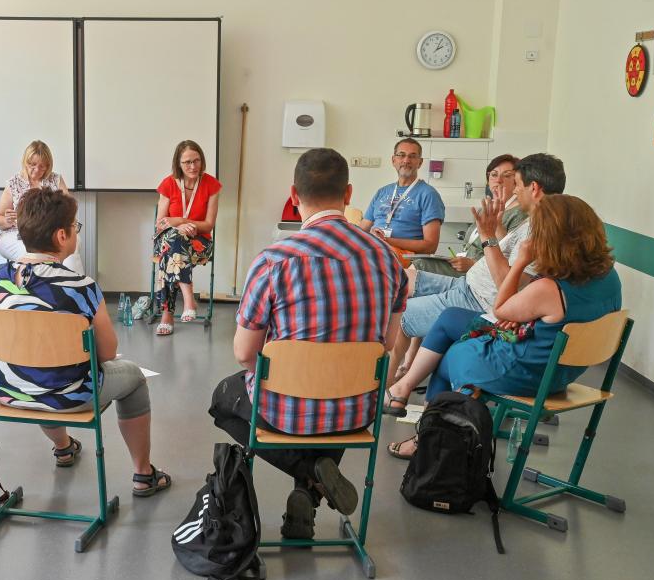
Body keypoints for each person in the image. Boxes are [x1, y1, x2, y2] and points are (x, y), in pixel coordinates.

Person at [209, 148, 407, 539]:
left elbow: (245, 354)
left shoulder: (273, 260)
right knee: (335, 396)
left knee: (222, 398)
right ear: (349, 194)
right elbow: (385, 343)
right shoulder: (387, 258)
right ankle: (310, 490)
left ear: (294, 195)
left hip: (285, 411)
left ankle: (309, 475)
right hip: (357, 411)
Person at [386, 194, 622, 459]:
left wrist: (520, 261)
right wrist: (524, 311)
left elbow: (500, 308)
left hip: (525, 372)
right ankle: (405, 392)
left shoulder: (548, 289)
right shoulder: (609, 276)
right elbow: (536, 312)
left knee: (446, 357)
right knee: (452, 317)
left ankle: (428, 439)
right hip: (560, 370)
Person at [0, 188, 171, 496]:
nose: (76, 233)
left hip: (11, 392)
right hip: (70, 396)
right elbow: (107, 353)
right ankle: (143, 473)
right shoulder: (81, 286)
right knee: (134, 377)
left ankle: (64, 447)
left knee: (38, 365)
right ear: (61, 236)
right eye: (75, 227)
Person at [385, 153, 566, 388]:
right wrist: (498, 229)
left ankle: (382, 393)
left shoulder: (541, 230)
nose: (515, 191)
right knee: (405, 281)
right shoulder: (533, 219)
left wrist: (488, 236)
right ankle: (399, 378)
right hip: (468, 285)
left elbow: (507, 285)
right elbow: (507, 257)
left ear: (534, 188)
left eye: (517, 184)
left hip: (477, 300)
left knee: (398, 316)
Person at [413, 154, 527, 277]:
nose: (498, 180)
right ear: (488, 179)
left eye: (507, 175)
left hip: (481, 273)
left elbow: (509, 256)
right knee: (417, 262)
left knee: (420, 265)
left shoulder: (519, 213)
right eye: (494, 174)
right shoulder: (486, 207)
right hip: (464, 265)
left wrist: (473, 264)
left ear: (517, 181)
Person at [152, 140, 221, 336]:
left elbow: (209, 224)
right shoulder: (168, 184)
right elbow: (160, 223)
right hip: (169, 240)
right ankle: (189, 298)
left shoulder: (211, 185)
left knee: (171, 250)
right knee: (175, 238)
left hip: (200, 243)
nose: (193, 166)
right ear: (178, 164)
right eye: (187, 162)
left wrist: (189, 227)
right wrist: (181, 222)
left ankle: (167, 314)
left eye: (196, 161)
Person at [0, 140, 83, 274]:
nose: (37, 170)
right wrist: (7, 220)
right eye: (32, 165)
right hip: (20, 236)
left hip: (51, 233)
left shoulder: (56, 180)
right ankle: (45, 289)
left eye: (42, 166)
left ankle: (75, 288)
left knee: (71, 254)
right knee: (34, 256)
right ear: (25, 162)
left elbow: (68, 210)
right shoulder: (14, 183)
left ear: (48, 165)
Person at [360, 138, 445, 256]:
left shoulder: (428, 195)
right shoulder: (382, 192)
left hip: (404, 258)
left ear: (420, 162)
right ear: (393, 160)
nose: (406, 160)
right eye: (401, 155)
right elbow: (362, 229)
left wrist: (386, 241)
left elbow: (430, 246)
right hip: (374, 251)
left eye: (412, 156)